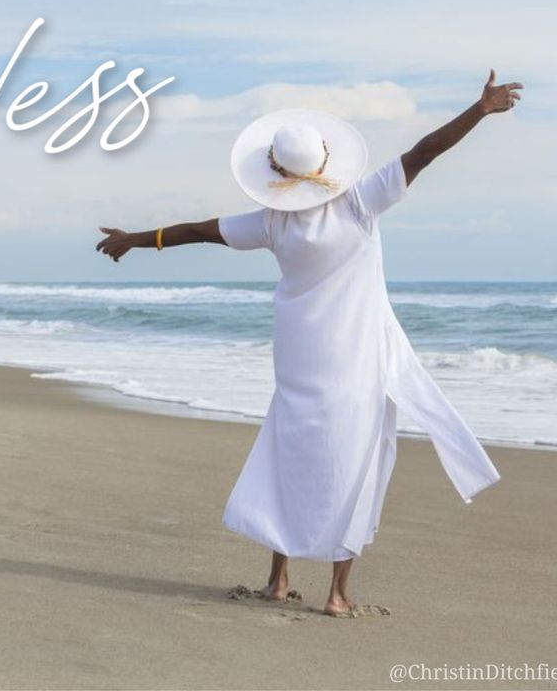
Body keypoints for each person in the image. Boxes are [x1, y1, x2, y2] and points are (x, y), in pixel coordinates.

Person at [96, 69, 522, 617]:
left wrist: (137, 239)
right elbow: (423, 153)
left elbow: (200, 231)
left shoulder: (272, 222)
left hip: (298, 357)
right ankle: (338, 594)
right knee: (355, 462)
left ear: (274, 172)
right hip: (356, 358)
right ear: (326, 160)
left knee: (288, 454)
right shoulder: (358, 203)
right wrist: (480, 110)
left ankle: (278, 579)